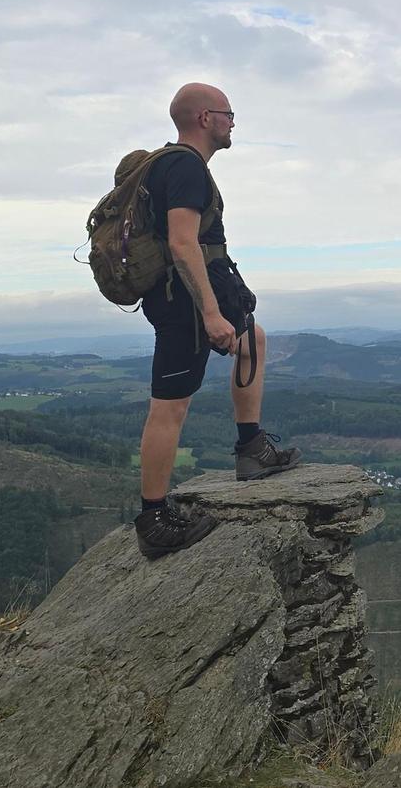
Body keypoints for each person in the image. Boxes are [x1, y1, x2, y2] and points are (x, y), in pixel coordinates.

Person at [132, 82, 301, 559]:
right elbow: (182, 242)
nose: (232, 123)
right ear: (205, 118)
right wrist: (210, 312)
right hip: (184, 304)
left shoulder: (165, 164)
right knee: (170, 407)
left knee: (253, 341)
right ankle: (153, 518)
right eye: (228, 114)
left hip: (182, 297)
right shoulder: (185, 166)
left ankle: (252, 447)